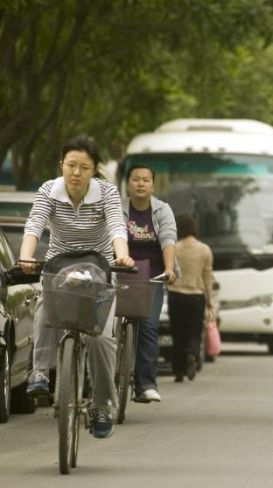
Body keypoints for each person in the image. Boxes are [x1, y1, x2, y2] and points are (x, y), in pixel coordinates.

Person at [20, 134, 134, 438]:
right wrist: (26, 255)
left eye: (84, 167)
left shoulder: (107, 193)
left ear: (94, 169)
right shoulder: (49, 190)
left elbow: (116, 226)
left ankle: (101, 405)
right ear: (62, 164)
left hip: (99, 267)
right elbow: (35, 224)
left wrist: (121, 255)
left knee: (100, 339)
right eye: (71, 165)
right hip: (60, 265)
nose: (76, 172)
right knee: (45, 300)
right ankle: (40, 370)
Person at [122, 164, 177, 403]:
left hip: (152, 278)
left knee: (148, 327)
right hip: (121, 276)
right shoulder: (118, 209)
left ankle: (145, 384)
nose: (141, 183)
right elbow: (111, 236)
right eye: (136, 179)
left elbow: (168, 239)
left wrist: (168, 269)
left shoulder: (162, 211)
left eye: (146, 180)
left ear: (153, 185)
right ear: (128, 184)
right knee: (105, 330)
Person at [168, 215, 213, 382]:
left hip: (176, 295)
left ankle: (178, 371)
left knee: (177, 333)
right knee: (194, 331)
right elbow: (208, 277)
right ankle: (192, 355)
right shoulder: (204, 249)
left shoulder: (173, 248)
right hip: (196, 296)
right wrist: (209, 301)